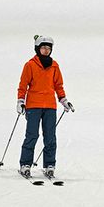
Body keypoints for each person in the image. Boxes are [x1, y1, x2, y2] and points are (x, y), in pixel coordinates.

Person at [17, 35, 74, 178]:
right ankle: (25, 164)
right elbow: (23, 86)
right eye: (43, 48)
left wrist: (63, 100)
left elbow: (58, 86)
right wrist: (20, 101)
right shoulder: (30, 65)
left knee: (50, 137)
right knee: (32, 135)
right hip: (33, 106)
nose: (46, 51)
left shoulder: (54, 66)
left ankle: (49, 164)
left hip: (50, 106)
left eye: (49, 48)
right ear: (37, 49)